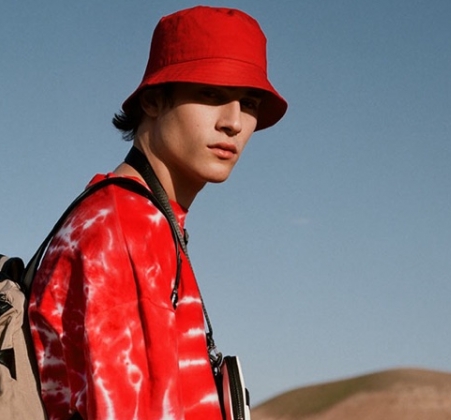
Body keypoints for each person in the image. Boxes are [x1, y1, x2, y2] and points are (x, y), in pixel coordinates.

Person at [28, 6, 287, 420]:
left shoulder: (139, 218)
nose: (234, 122)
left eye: (249, 101)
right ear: (153, 100)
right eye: (211, 94)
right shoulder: (125, 227)